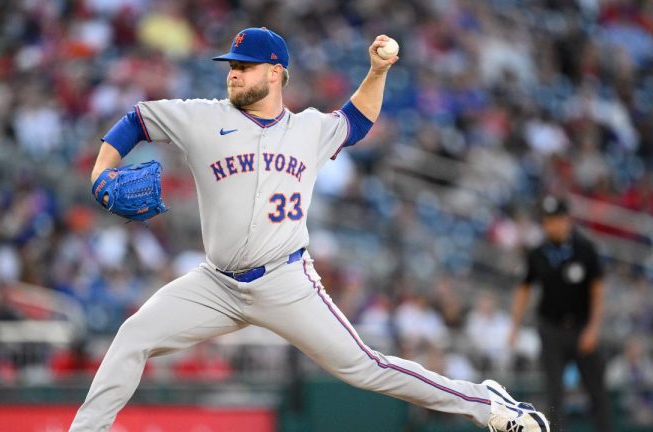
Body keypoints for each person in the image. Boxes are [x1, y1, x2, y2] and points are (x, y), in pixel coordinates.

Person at [71, 27, 549, 432]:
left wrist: (377, 73)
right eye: (231, 65)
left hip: (285, 281)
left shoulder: (308, 130)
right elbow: (136, 119)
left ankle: (487, 405)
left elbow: (358, 119)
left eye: (246, 65)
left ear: (275, 72)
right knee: (134, 335)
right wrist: (100, 171)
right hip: (214, 283)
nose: (233, 72)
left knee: (367, 367)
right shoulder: (202, 117)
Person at [508, 195, 611, 431]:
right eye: (547, 220)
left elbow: (597, 291)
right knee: (554, 394)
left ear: (567, 220)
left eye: (555, 219)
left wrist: (594, 328)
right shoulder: (537, 253)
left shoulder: (585, 249)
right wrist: (514, 326)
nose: (551, 225)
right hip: (551, 329)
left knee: (597, 392)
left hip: (582, 328)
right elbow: (523, 289)